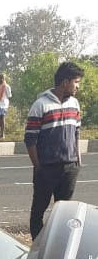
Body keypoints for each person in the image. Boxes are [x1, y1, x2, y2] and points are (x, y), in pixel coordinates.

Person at [25, 61, 83, 238]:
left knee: (64, 213)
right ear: (65, 82)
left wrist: (78, 159)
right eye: (76, 82)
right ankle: (37, 246)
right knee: (38, 211)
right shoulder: (40, 105)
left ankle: (58, 245)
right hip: (47, 169)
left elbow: (77, 132)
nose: (78, 86)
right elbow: (30, 139)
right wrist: (38, 166)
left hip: (69, 168)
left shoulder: (75, 103)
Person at [0, 73, 12, 138]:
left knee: (2, 117)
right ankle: (1, 132)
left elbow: (9, 96)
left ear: (4, 78)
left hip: (4, 104)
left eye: (2, 78)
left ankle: (3, 134)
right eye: (0, 78)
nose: (1, 79)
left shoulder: (7, 86)